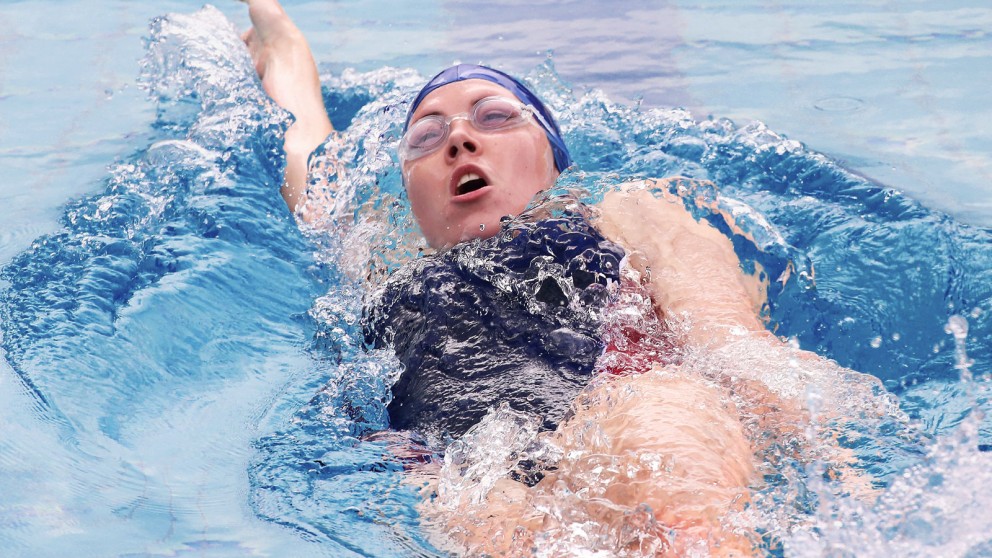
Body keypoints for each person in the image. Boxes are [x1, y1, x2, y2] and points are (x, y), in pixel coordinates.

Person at [241, 1, 891, 555]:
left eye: (493, 117)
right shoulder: (381, 267)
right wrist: (289, 55)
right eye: (426, 136)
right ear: (411, 192)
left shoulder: (626, 209)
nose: (459, 140)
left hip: (623, 428)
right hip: (477, 489)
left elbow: (722, 329)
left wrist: (793, 417)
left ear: (552, 158)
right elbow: (314, 172)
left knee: (663, 425)